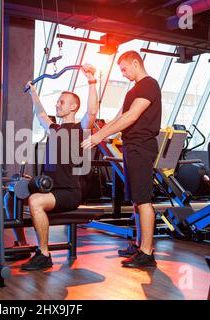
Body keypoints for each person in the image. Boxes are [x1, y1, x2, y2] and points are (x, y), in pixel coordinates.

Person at [4, 63, 99, 271]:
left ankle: (44, 254)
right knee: (11, 195)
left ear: (73, 107)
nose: (57, 105)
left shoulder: (79, 130)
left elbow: (92, 112)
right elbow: (41, 114)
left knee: (36, 202)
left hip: (69, 192)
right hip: (50, 187)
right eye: (57, 101)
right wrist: (33, 92)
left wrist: (92, 81)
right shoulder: (55, 129)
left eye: (62, 102)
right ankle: (22, 244)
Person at [81, 50, 161, 268]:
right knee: (136, 200)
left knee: (143, 200)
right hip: (131, 146)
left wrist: (100, 135)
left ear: (135, 63)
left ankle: (147, 252)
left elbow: (132, 116)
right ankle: (138, 244)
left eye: (124, 69)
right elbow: (119, 117)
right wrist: (98, 131)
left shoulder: (149, 84)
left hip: (142, 147)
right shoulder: (134, 90)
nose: (123, 74)